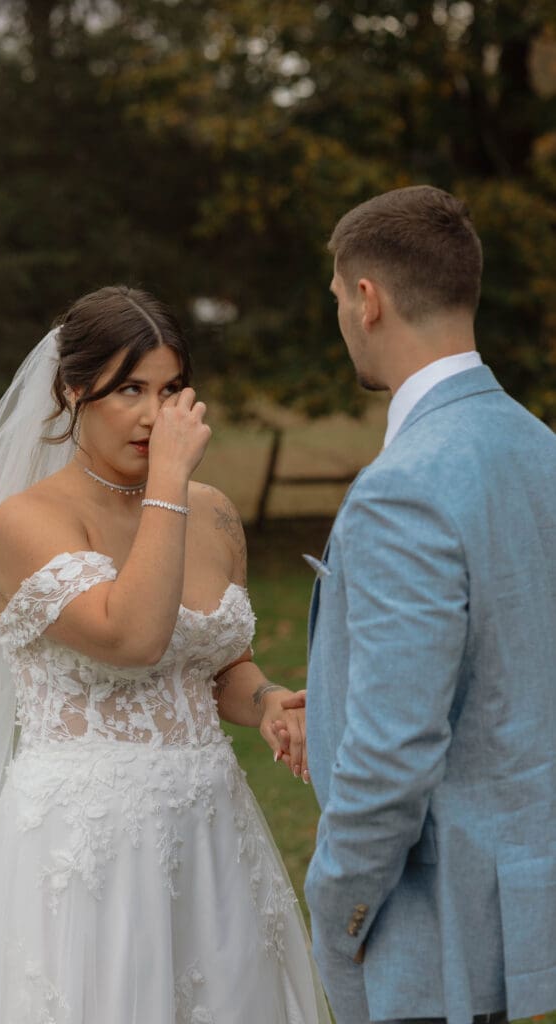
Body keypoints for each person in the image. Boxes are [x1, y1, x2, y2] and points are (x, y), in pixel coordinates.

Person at [0, 285, 330, 1023]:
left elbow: (216, 667)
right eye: (130, 390)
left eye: (172, 389)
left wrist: (267, 700)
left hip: (211, 832)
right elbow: (131, 637)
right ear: (74, 390)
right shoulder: (28, 521)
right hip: (86, 849)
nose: (155, 414)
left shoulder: (211, 512)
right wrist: (170, 486)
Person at [295, 185, 556, 1024]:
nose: (339, 317)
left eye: (336, 298)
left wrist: (339, 909)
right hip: (525, 916)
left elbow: (392, 752)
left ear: (365, 299)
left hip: (438, 940)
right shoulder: (538, 446)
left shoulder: (400, 490)